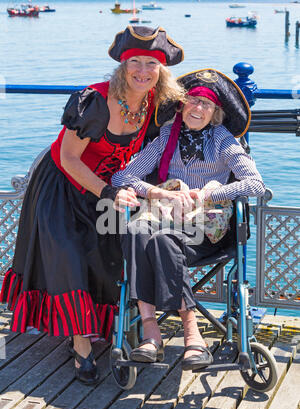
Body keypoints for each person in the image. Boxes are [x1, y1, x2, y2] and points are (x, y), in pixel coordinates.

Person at [0, 26, 185, 385]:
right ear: (122, 66)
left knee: (105, 258)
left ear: (162, 70)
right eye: (135, 63)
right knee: (67, 257)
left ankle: (99, 327)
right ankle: (81, 346)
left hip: (107, 190)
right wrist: (108, 193)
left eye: (151, 63)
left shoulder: (155, 103)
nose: (143, 71)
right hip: (62, 187)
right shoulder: (94, 101)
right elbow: (69, 158)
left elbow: (194, 117)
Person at [111, 68, 265, 371]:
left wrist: (207, 195)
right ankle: (151, 330)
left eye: (206, 104)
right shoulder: (168, 134)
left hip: (206, 231)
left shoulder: (223, 140)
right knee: (136, 229)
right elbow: (122, 176)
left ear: (215, 112)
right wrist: (158, 193)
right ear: (181, 105)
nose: (198, 108)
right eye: (193, 100)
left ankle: (192, 333)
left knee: (162, 239)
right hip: (167, 220)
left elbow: (255, 184)